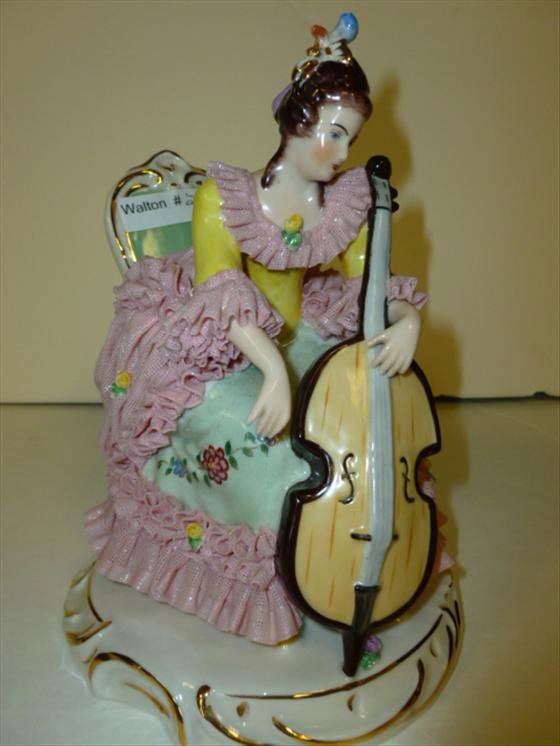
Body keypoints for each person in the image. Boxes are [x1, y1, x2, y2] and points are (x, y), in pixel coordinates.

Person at [86, 14, 444, 645]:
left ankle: (351, 560)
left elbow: (370, 285)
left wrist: (408, 318)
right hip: (219, 347)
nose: (341, 154)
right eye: (332, 133)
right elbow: (223, 296)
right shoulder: (224, 200)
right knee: (279, 454)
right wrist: (273, 369)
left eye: (350, 139)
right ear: (297, 121)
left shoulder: (343, 206)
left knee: (356, 429)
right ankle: (261, 575)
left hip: (295, 330)